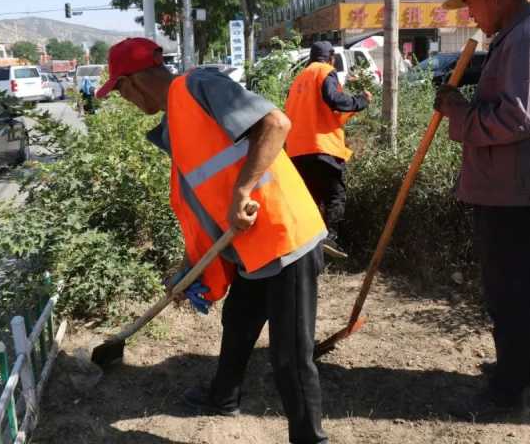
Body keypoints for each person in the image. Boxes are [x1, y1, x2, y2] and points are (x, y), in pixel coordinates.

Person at [96, 38, 329, 444]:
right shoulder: (175, 124)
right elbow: (205, 205)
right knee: (238, 323)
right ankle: (223, 397)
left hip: (283, 236)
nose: (123, 100)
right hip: (250, 247)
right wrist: (191, 270)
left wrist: (243, 191)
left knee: (290, 358)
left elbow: (276, 124)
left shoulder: (197, 85)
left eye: (119, 91)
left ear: (132, 83)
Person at [435, 0, 530, 418]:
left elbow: (517, 118)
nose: (470, 15)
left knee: (510, 292)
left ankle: (506, 392)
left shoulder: (524, 40)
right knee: (529, 285)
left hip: (512, 191)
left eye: (471, 4)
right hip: (527, 185)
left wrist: (459, 112)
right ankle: (528, 367)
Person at [284, 41, 371, 259]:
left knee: (311, 199)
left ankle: (308, 248)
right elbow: (334, 100)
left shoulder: (298, 81)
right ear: (330, 58)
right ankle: (330, 239)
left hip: (296, 151)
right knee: (334, 195)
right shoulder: (324, 72)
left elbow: (322, 113)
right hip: (322, 148)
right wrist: (360, 100)